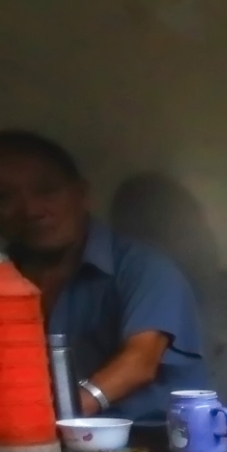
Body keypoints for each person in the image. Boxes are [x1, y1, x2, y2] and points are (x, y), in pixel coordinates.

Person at [0, 131, 209, 422]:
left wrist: (57, 417)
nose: (31, 209)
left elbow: (140, 361)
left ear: (82, 195)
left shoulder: (145, 269)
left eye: (47, 190)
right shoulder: (6, 277)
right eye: (4, 197)